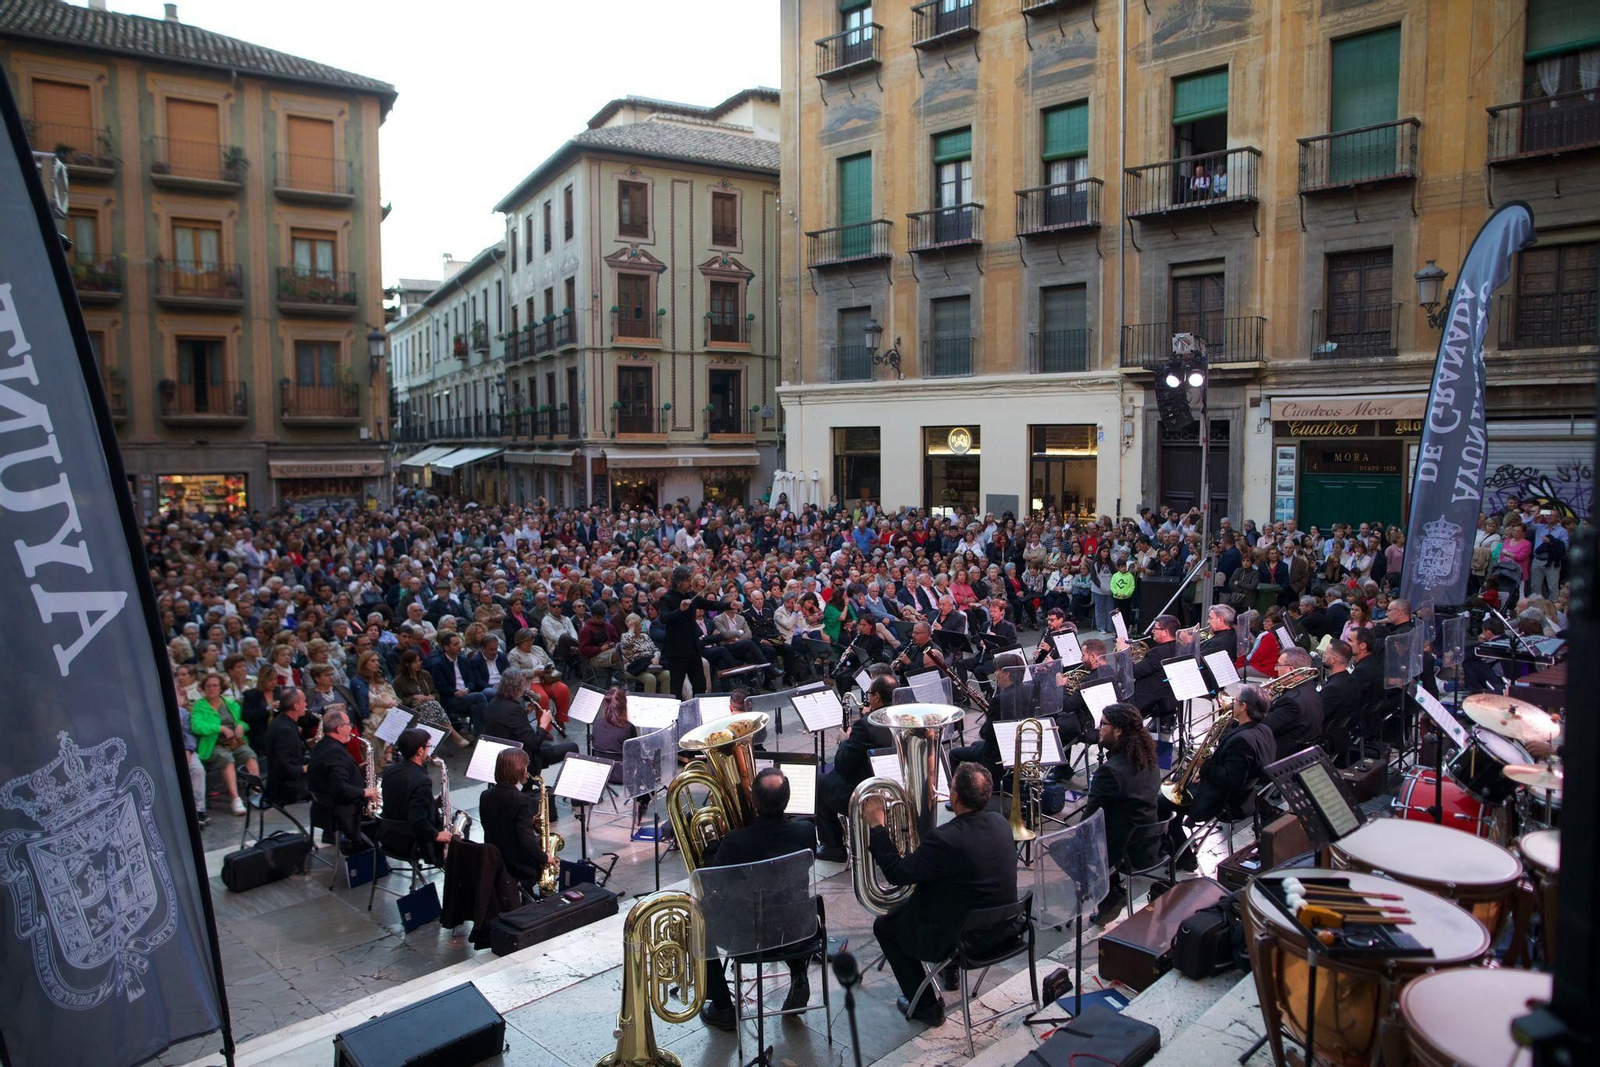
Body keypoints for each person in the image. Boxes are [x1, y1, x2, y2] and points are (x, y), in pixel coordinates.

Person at [862, 762, 1019, 1027]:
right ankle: (950, 975)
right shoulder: (1000, 822)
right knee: (946, 896)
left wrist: (878, 827)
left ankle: (926, 1007)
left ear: (954, 796)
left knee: (885, 927)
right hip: (1005, 929)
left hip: (968, 941)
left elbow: (897, 873)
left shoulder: (944, 839)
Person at [696, 768, 821, 1032]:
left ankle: (722, 1006)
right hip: (798, 933)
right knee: (788, 901)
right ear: (787, 799)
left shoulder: (734, 842)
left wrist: (711, 852)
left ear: (753, 800)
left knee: (698, 917)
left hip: (749, 939)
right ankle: (798, 973)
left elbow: (711, 882)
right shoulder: (806, 832)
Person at [1164, 685, 1277, 868]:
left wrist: (1205, 766)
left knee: (1162, 802)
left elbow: (1231, 780)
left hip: (1223, 802)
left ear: (1244, 707)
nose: (1233, 704)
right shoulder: (1264, 731)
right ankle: (1175, 840)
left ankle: (1183, 857)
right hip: (1243, 798)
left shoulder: (1243, 740)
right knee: (1174, 788)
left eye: (1236, 701)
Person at [1078, 703, 1161, 924]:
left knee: (1065, 845)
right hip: (1150, 841)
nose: (1099, 728)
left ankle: (1108, 892)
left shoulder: (1110, 771)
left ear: (1118, 731)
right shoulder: (1148, 759)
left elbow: (1088, 820)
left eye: (1103, 724)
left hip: (1126, 850)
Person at [815, 675, 897, 861]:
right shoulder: (901, 716)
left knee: (818, 783)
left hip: (865, 791)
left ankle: (833, 846)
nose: (867, 698)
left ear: (876, 697)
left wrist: (845, 740)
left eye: (869, 694)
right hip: (894, 784)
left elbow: (842, 765)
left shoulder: (865, 725)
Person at [477, 747, 553, 894]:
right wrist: (545, 858)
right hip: (517, 866)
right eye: (525, 766)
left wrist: (529, 822)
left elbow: (499, 824)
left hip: (494, 860)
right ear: (519, 770)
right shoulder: (520, 800)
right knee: (541, 846)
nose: (527, 769)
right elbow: (525, 841)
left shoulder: (485, 795)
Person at [379, 727, 454, 864]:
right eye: (428, 746)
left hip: (388, 836)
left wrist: (432, 803)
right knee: (458, 839)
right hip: (412, 843)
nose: (429, 750)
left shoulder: (390, 771)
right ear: (420, 751)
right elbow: (417, 820)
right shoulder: (421, 780)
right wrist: (437, 835)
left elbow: (402, 800)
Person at [482, 668, 578, 773]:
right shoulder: (514, 709)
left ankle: (530, 784)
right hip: (517, 757)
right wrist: (543, 723)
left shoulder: (494, 703)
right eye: (524, 686)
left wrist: (525, 712)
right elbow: (533, 743)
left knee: (546, 746)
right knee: (572, 747)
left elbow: (508, 724)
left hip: (501, 751)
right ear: (517, 688)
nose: (525, 689)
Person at [307, 709, 377, 851]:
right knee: (381, 820)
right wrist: (366, 792)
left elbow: (332, 773)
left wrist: (356, 768)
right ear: (339, 728)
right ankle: (367, 856)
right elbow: (339, 788)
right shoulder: (335, 752)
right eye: (348, 724)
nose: (351, 728)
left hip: (321, 810)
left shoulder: (322, 745)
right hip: (342, 814)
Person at [190, 671, 258, 815]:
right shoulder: (199, 706)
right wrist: (219, 728)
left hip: (234, 742)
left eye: (215, 686)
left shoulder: (230, 702)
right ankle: (235, 799)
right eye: (208, 686)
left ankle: (257, 791)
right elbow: (197, 726)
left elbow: (244, 720)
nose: (211, 689)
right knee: (226, 759)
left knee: (249, 755)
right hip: (213, 744)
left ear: (221, 688)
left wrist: (241, 726)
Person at [660, 565, 732, 698]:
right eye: (688, 580)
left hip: (693, 646)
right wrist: (680, 610)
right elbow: (664, 618)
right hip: (677, 649)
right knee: (676, 685)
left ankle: (699, 711)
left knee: (699, 683)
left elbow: (709, 604)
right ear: (679, 582)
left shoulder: (691, 595)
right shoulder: (667, 598)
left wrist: (729, 605)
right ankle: (677, 714)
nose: (690, 583)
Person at [1263, 648, 1324, 757]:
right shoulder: (1311, 689)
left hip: (1283, 755)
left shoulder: (1292, 701)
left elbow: (1264, 728)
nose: (1275, 668)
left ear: (1290, 670)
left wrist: (1264, 702)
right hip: (1302, 751)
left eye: (1279, 665)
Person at [428, 632, 490, 737]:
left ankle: (480, 737)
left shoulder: (463, 661)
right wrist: (455, 692)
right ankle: (490, 730)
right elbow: (440, 687)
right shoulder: (438, 664)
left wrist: (467, 689)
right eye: (455, 644)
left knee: (476, 707)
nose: (460, 646)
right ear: (446, 648)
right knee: (480, 696)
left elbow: (472, 681)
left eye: (459, 643)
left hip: (466, 695)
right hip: (451, 699)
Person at [1128, 613, 1180, 726]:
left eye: (1155, 629)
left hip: (1148, 701)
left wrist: (1124, 654)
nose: (1152, 631)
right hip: (1169, 697)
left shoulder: (1158, 653)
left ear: (1165, 632)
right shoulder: (1180, 647)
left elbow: (1133, 672)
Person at [262, 687, 311, 806]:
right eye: (304, 701)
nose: (306, 704)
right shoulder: (285, 730)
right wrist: (308, 768)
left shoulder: (283, 722)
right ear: (296, 706)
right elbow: (285, 769)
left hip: (285, 783)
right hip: (286, 790)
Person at [1318, 640, 1362, 764]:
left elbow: (1318, 715)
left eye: (1326, 654)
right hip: (1340, 734)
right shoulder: (1351, 680)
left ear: (1333, 660)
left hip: (1327, 736)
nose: (1323, 657)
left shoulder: (1334, 688)